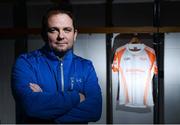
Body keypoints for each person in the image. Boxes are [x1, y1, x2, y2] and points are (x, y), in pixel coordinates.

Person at [11, 3, 102, 124]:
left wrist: (44, 100)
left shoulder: (86, 66)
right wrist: (77, 97)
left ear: (74, 34)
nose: (61, 36)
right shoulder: (26, 63)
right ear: (44, 34)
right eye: (53, 30)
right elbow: (31, 107)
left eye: (67, 30)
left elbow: (94, 111)